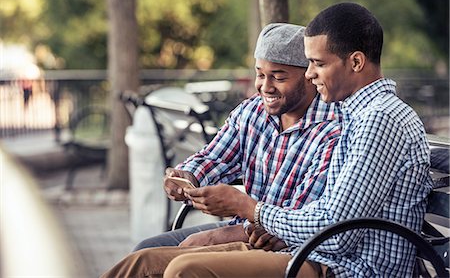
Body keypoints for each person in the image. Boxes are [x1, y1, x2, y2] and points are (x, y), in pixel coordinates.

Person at [101, 23, 341, 277]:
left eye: (279, 77)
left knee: (156, 265)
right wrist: (187, 177)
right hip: (245, 228)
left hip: (283, 243)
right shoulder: (252, 112)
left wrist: (219, 234)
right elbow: (214, 157)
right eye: (260, 74)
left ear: (310, 75)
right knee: (146, 247)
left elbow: (299, 221)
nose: (265, 86)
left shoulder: (332, 129)